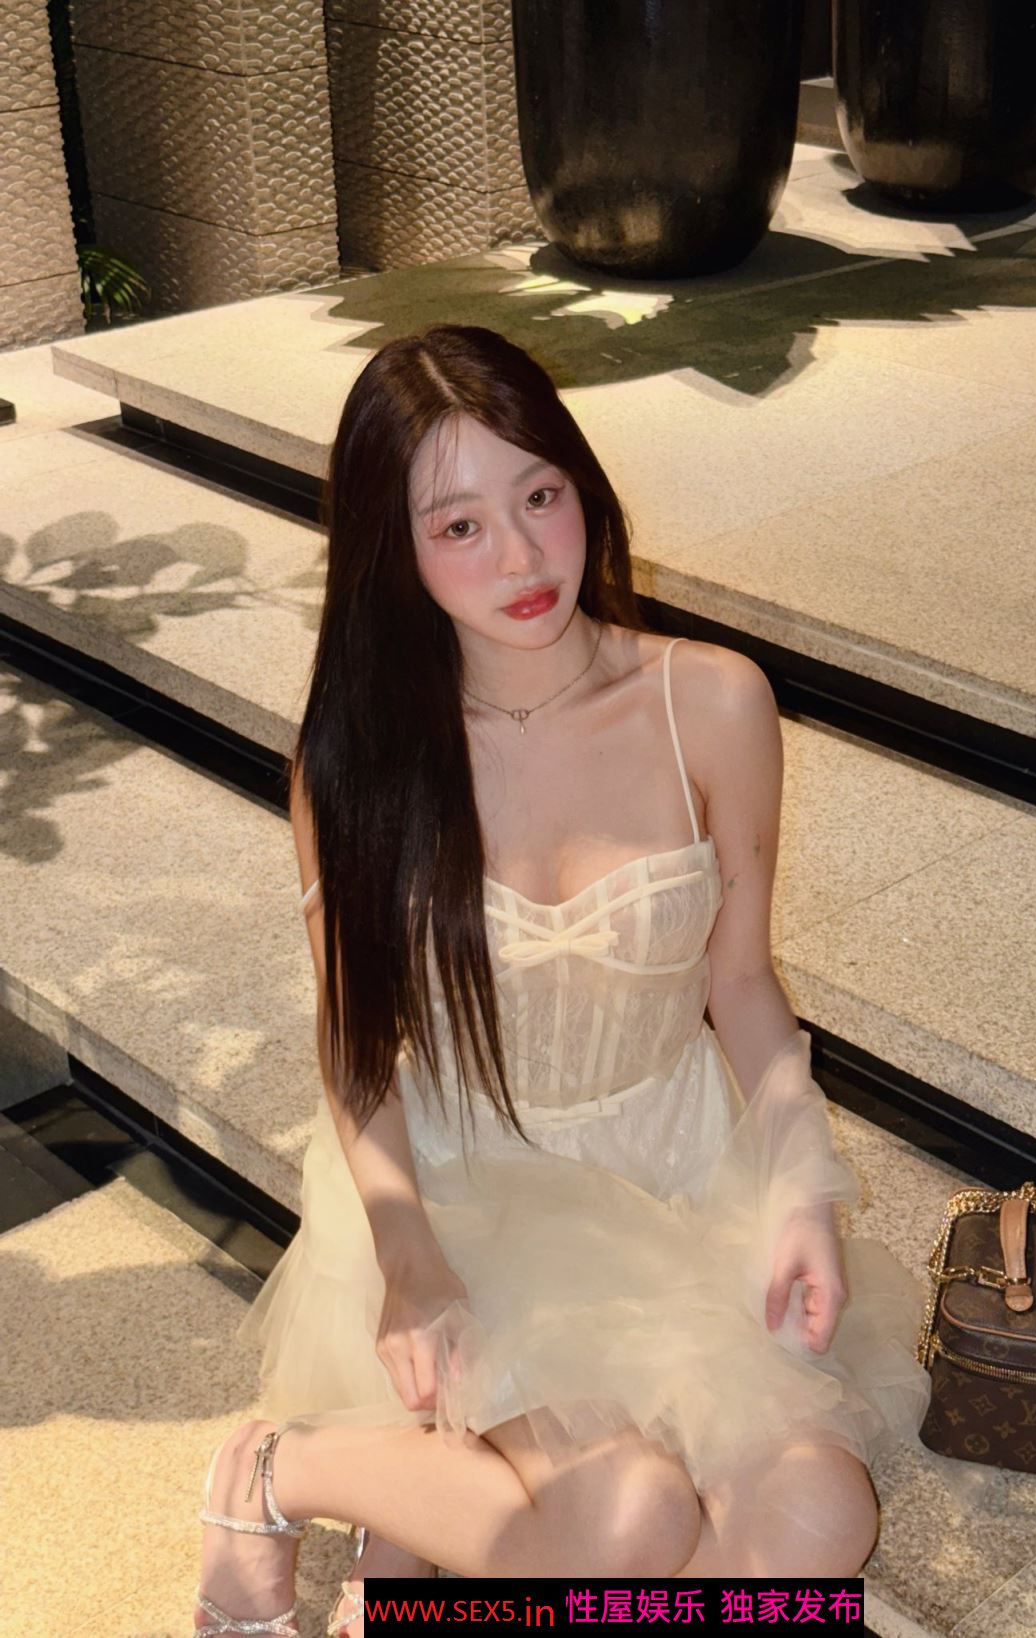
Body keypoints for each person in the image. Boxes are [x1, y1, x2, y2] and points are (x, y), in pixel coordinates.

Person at [193, 323, 934, 1635]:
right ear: (391, 549)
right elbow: (358, 1043)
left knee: (825, 1523)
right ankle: (276, 1467)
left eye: (539, 495)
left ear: (582, 481)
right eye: (459, 525)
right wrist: (410, 1256)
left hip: (672, 1165)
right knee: (627, 1522)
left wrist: (798, 1181)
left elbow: (742, 984)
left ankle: (420, 1585)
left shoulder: (712, 702)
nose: (524, 556)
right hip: (469, 1187)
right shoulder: (357, 759)